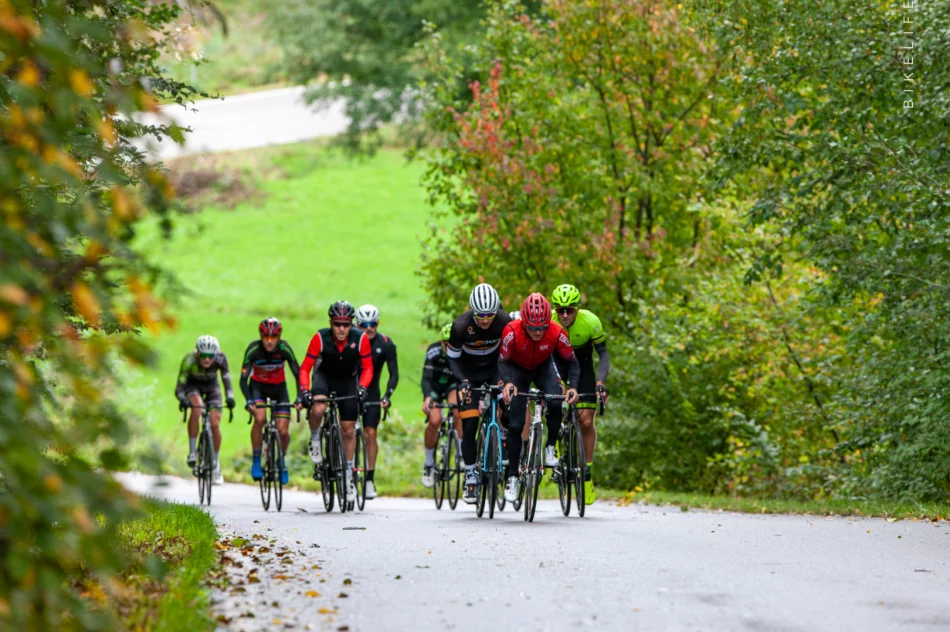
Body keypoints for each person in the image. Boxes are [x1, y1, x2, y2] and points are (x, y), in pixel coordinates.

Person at [499, 293, 579, 501]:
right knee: (516, 424)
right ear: (523, 322)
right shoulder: (512, 331)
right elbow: (503, 361)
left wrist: (573, 387)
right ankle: (513, 476)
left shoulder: (557, 332)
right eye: (532, 328)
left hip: (543, 367)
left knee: (555, 399)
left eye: (542, 327)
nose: (537, 332)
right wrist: (507, 383)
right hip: (517, 370)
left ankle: (551, 445)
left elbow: (572, 362)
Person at [297, 301, 373, 503]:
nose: (341, 329)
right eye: (337, 324)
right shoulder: (320, 337)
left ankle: (348, 476)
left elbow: (368, 368)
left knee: (348, 429)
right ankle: (314, 437)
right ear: (331, 323)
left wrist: (363, 387)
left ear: (352, 324)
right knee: (319, 407)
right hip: (324, 378)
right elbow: (305, 368)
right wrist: (305, 391)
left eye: (346, 324)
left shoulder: (361, 338)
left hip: (348, 381)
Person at [447, 283, 511, 504]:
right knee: (470, 423)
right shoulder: (460, 326)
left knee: (510, 406)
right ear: (472, 311)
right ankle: (471, 474)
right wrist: (462, 381)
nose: (485, 320)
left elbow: (510, 354)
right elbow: (452, 359)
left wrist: (509, 380)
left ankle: (503, 435)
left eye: (490, 315)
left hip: (495, 371)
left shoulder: (505, 322)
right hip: (468, 375)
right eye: (480, 315)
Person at [551, 284, 610, 504]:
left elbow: (602, 354)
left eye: (570, 309)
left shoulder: (591, 322)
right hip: (558, 366)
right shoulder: (549, 323)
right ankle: (554, 453)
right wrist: (557, 381)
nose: (565, 314)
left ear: (577, 308)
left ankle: (586, 473)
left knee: (586, 421)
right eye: (560, 310)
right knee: (553, 408)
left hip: (583, 367)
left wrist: (600, 383)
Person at [240, 317, 301, 485]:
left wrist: (300, 396)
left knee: (283, 430)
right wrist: (249, 400)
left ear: (279, 336)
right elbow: (243, 380)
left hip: (279, 389)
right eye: (266, 337)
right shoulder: (253, 350)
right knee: (259, 418)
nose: (269, 341)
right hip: (258, 387)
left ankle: (281, 461)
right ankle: (256, 460)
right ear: (260, 336)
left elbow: (298, 373)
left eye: (273, 337)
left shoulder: (284, 349)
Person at [175, 334, 234, 486]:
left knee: (215, 424)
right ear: (197, 353)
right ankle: (193, 452)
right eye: (204, 355)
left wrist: (230, 397)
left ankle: (215, 464)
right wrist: (182, 398)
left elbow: (226, 379)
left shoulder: (221, 359)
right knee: (197, 408)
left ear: (215, 354)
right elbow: (180, 386)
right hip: (193, 387)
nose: (207, 359)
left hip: (212, 388)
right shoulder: (189, 360)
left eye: (210, 356)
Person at [355, 304, 398, 500]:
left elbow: (394, 374)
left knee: (370, 432)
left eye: (372, 324)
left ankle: (369, 479)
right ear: (357, 324)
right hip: (350, 389)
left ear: (378, 323)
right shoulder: (351, 342)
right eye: (364, 324)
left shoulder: (386, 343)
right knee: (346, 429)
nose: (369, 328)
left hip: (372, 392)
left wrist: (386, 396)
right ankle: (347, 471)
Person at [420, 323, 461, 487]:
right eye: (446, 343)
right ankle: (429, 463)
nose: (449, 347)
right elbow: (426, 378)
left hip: (452, 387)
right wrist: (427, 397)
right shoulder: (434, 351)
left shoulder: (462, 351)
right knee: (434, 420)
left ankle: (461, 453)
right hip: (435, 387)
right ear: (441, 342)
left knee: (459, 410)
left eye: (452, 343)